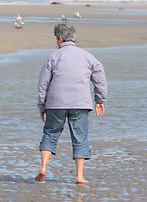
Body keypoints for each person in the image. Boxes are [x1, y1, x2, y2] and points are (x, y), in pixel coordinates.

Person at [35, 23, 108, 184]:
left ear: (60, 38)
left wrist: (42, 106)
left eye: (56, 38)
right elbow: (100, 78)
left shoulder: (53, 57)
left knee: (50, 133)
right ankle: (79, 176)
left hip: (56, 103)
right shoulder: (87, 56)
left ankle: (43, 167)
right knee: (80, 137)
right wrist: (99, 100)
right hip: (80, 103)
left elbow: (43, 84)